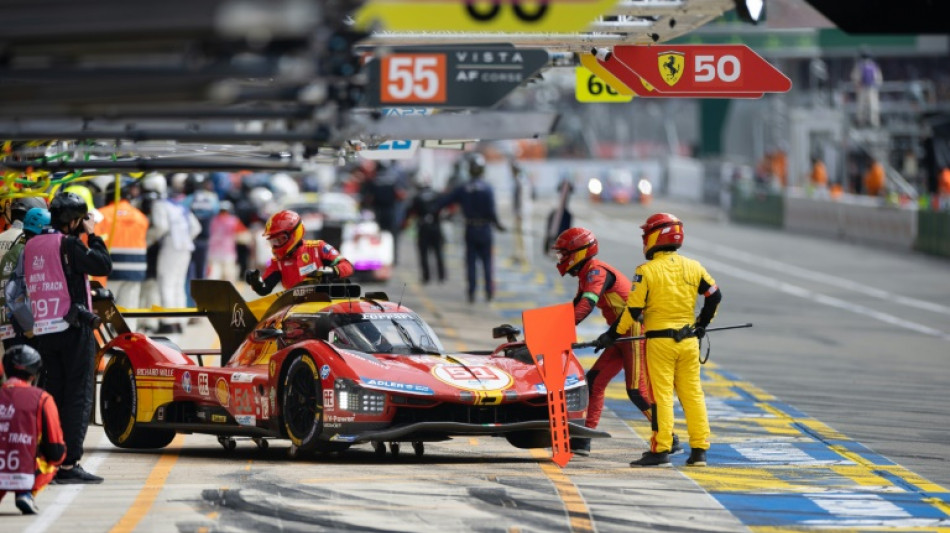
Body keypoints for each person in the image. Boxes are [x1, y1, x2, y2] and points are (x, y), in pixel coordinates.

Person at [595, 213, 721, 467]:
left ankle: (661, 449)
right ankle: (699, 451)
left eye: (646, 235)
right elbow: (714, 296)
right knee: (693, 394)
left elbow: (632, 311)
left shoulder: (646, 272)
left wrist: (611, 336)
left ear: (655, 237)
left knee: (662, 396)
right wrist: (701, 326)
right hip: (688, 342)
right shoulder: (694, 267)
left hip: (660, 343)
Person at [552, 228, 682, 458]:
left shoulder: (596, 273)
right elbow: (576, 306)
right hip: (619, 333)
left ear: (578, 253)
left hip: (632, 330)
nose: (561, 259)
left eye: (564, 254)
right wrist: (551, 330)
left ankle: (669, 437)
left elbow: (585, 306)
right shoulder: (587, 273)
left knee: (636, 391)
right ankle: (583, 438)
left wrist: (556, 333)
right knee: (593, 381)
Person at [22, 192, 112, 482]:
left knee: (53, 395)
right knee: (78, 396)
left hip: (44, 330)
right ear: (74, 221)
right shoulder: (69, 243)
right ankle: (69, 464)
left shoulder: (32, 245)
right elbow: (101, 265)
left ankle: (49, 458)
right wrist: (93, 235)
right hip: (73, 330)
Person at [0, 345, 66, 514]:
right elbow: (56, 450)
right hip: (23, 472)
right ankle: (25, 493)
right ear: (34, 373)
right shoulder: (43, 399)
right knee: (55, 458)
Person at [437, 153, 505, 303]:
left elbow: (445, 201)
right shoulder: (488, 188)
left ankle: (472, 293)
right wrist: (498, 225)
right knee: (487, 262)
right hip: (485, 229)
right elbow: (492, 211)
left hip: (470, 228)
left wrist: (436, 211)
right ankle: (489, 293)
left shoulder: (463, 188)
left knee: (471, 262)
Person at [141, 173, 201, 333]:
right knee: (178, 284)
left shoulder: (160, 204)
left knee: (166, 283)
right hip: (185, 248)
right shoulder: (179, 204)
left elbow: (161, 227)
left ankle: (168, 322)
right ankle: (180, 321)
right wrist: (185, 238)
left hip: (170, 246)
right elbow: (196, 227)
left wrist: (145, 241)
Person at [244, 209, 354, 295]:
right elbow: (265, 288)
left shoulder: (318, 247)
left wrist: (331, 271)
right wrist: (255, 282)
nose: (276, 244)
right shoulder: (277, 262)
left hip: (325, 304)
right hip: (297, 310)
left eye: (280, 239)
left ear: (294, 234)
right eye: (273, 241)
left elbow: (347, 266)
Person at [94, 178, 149, 330]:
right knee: (128, 310)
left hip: (110, 269)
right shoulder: (140, 216)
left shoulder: (101, 215)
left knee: (105, 311)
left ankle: (104, 346)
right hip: (135, 270)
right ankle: (129, 348)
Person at [2, 207, 50, 349]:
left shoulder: (18, 249)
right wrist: (30, 327)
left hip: (13, 323)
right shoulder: (31, 252)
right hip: (28, 327)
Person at [403, 177, 445, 284]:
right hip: (436, 226)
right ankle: (441, 275)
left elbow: (410, 211)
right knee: (438, 252)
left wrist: (405, 223)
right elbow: (443, 207)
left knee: (423, 254)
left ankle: (426, 276)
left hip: (423, 228)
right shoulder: (436, 194)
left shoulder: (417, 197)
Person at [207, 200, 249, 283]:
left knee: (214, 276)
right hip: (227, 253)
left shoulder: (212, 220)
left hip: (214, 252)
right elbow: (244, 237)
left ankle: (213, 294)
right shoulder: (233, 221)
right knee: (228, 277)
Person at [851, 49, 883, 128]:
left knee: (873, 106)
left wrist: (877, 85)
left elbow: (878, 78)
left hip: (871, 88)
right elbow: (855, 77)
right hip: (863, 88)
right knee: (861, 106)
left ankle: (873, 123)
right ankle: (861, 122)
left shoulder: (873, 66)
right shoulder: (860, 65)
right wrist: (857, 85)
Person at [510, 158, 533, 265]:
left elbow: (520, 199)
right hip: (522, 211)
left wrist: (519, 212)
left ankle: (525, 256)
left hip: (521, 212)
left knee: (522, 235)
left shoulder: (520, 180)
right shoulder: (521, 179)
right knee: (519, 235)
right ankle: (520, 254)